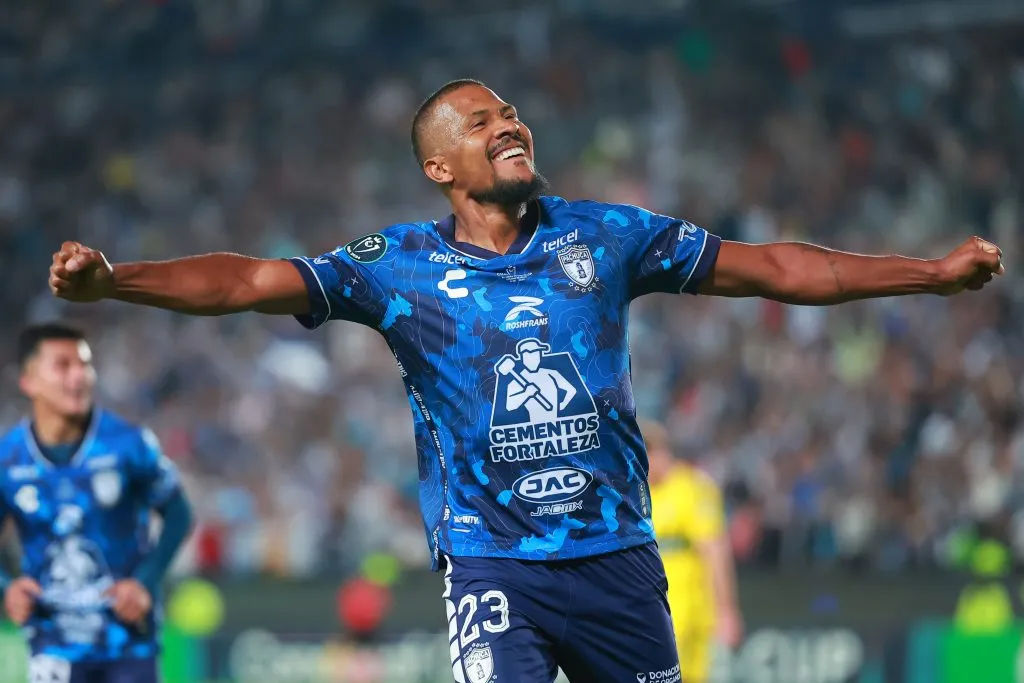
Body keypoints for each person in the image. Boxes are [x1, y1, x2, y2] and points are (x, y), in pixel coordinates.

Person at [46, 79, 1002, 683]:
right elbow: (249, 280)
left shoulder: (607, 236)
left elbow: (777, 269)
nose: (509, 124)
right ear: (437, 164)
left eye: (510, 113)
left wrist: (927, 273)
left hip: (619, 557)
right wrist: (117, 282)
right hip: (493, 564)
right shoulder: (397, 266)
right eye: (481, 120)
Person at [0, 324, 193, 683]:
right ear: (29, 381)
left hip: (126, 639)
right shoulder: (7, 459)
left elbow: (179, 513)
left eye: (84, 365)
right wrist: (6, 586)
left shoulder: (128, 445)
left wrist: (145, 582)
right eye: (63, 365)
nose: (78, 377)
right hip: (52, 640)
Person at [642, 419, 742, 683]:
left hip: (688, 608)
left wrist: (726, 609)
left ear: (664, 451)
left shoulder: (693, 488)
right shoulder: (635, 492)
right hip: (651, 610)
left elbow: (715, 552)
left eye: (651, 451)